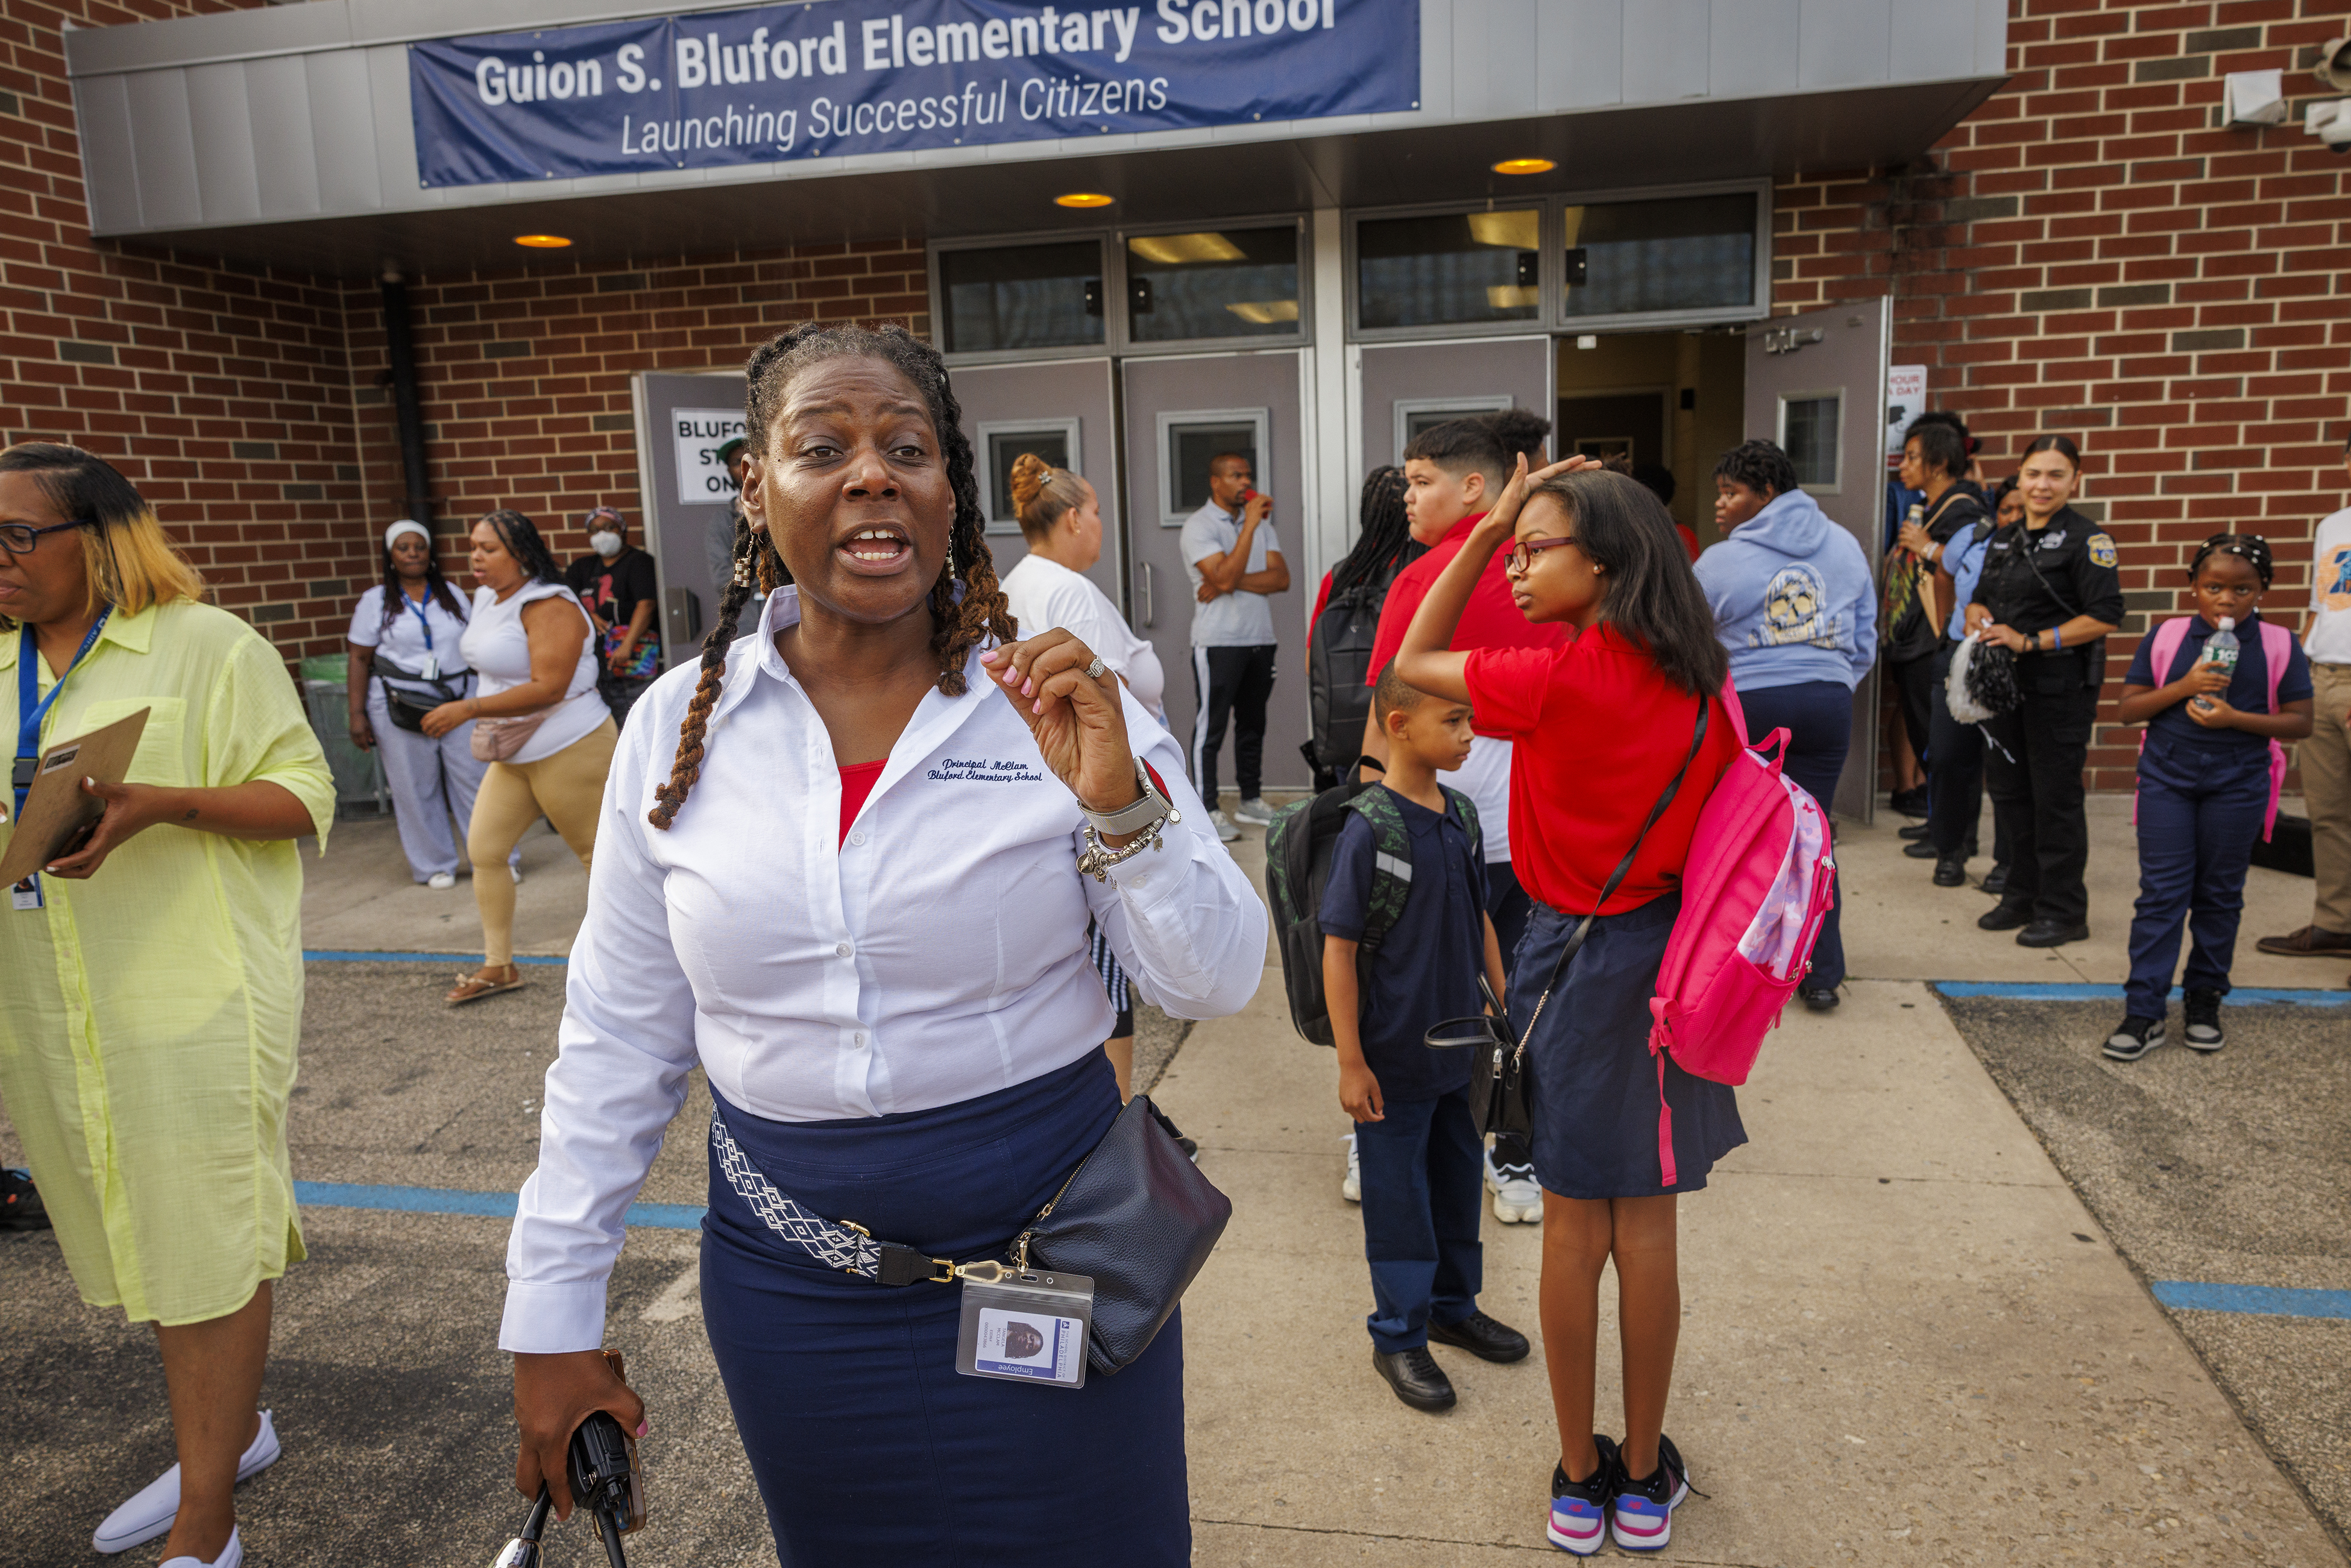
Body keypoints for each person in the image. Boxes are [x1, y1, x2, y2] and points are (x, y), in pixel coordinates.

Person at [499, 323, 1264, 1565]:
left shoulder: (1057, 699)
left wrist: (1124, 810)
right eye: (823, 447)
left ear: (946, 493)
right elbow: (617, 1039)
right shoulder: (675, 733)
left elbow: (1218, 977)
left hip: (1058, 1252)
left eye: (907, 446)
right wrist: (553, 1312)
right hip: (799, 1295)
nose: (872, 473)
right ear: (756, 487)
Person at [1394, 460, 1746, 1557]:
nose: (1516, 561)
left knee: (1573, 1227)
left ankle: (1579, 1474)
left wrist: (1480, 519)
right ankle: (1643, 1484)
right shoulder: (1704, 680)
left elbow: (1408, 661)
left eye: (1535, 544)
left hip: (1568, 956)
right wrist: (1507, 522)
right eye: (1514, 540)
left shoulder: (1555, 679)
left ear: (1604, 561)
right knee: (1648, 1230)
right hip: (1673, 968)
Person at [0, 442, 336, 1568]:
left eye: (15, 535)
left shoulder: (205, 646)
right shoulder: (0, 661)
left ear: (97, 539)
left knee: (203, 1239)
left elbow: (304, 792)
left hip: (187, 993)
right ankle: (228, 1436)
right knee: (142, 1232)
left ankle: (208, 1521)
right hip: (49, 1000)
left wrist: (162, 805)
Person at [1361, 410, 1559, 1226]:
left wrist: (1371, 817)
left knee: (1410, 988)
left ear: (1475, 485)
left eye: (1420, 481)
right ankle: (1516, 1154)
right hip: (1520, 829)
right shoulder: (1557, 569)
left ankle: (1375, 1128)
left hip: (1446, 821)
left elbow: (1383, 711)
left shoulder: (1424, 580)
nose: (1406, 498)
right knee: (1524, 990)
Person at [1322, 662, 1528, 1412]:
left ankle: (1452, 1305)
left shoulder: (1463, 816)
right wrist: (1352, 1061)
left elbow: (1479, 923)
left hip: (1462, 1051)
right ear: (1401, 726)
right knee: (1398, 1200)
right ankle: (1399, 1336)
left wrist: (1506, 1020)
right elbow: (1338, 949)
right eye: (1456, 722)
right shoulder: (1368, 829)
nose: (1471, 735)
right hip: (1393, 1057)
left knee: (1453, 1183)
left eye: (1471, 720)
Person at [999, 451, 1168, 1101]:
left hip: (1059, 788)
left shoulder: (1020, 581)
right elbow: (1110, 693)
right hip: (1095, 796)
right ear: (1072, 518)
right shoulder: (1068, 590)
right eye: (1095, 512)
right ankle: (1117, 1121)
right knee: (1109, 965)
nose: (1098, 524)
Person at [2107, 535, 2314, 1059]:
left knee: (2220, 893)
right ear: (2193, 586)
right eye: (2214, 587)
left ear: (2262, 590)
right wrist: (2185, 684)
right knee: (2161, 893)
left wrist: (2234, 719)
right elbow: (2129, 710)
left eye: (2242, 589)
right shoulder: (2169, 636)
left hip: (2239, 780)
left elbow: (2301, 721)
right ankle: (2144, 1010)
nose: (2227, 600)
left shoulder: (2278, 644)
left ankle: (2204, 999)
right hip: (2167, 777)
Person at [1695, 439, 1877, 1012]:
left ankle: (1739, 970)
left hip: (1753, 709)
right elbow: (1866, 634)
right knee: (1813, 837)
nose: (1720, 505)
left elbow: (1693, 644)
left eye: (1732, 493)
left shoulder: (1721, 562)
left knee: (1745, 837)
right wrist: (1833, 681)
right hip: (1828, 703)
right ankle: (1821, 974)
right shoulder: (1845, 546)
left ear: (1767, 493)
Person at [437, 509, 614, 1004]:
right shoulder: (486, 599)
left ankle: (633, 968)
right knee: (486, 851)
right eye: (473, 546)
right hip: (515, 750)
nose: (475, 556)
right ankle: (499, 965)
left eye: (488, 549)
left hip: (572, 744)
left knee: (600, 860)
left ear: (521, 554)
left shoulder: (549, 603)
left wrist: (466, 709)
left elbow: (549, 687)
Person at [1966, 436, 2124, 947]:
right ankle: (2020, 895)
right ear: (2020, 475)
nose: (2042, 484)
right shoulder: (2004, 537)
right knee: (2011, 795)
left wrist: (2031, 640)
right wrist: (1978, 616)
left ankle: (2063, 910)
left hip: (2059, 689)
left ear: (2074, 481)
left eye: (2056, 475)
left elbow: (2104, 616)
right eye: (2034, 473)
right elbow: (1981, 599)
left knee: (2054, 800)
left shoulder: (2088, 541)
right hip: (2004, 688)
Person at [346, 519, 509, 889]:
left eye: (419, 546)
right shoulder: (375, 601)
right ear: (390, 556)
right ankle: (435, 865)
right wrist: (356, 714)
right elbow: (358, 658)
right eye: (404, 547)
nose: (413, 553)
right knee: (414, 787)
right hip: (398, 703)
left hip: (457, 698)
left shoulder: (451, 593)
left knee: (476, 780)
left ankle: (495, 859)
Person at [2256, 430, 2351, 968]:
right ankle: (2337, 923)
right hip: (2324, 676)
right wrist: (2294, 674)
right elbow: (2324, 605)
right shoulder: (2332, 527)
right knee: (2330, 812)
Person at [1885, 418, 1991, 848]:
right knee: (1928, 738)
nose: (1903, 467)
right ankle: (1940, 822)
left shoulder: (1964, 507)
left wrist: (1927, 547)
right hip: (1916, 640)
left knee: (1944, 744)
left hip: (1936, 640)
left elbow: (1973, 566)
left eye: (1912, 458)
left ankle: (1956, 836)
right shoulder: (1935, 504)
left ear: (1940, 462)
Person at [1181, 450, 1289, 840]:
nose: (1246, 482)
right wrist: (1241, 545)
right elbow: (1222, 578)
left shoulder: (1260, 523)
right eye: (1236, 475)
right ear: (1216, 481)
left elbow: (1280, 579)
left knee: (1252, 725)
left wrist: (1228, 577)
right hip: (1219, 643)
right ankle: (1206, 807)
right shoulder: (1198, 526)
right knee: (1212, 728)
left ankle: (1250, 799)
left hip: (1260, 639)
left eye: (1247, 475)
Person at [1924, 478, 2022, 892]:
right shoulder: (1974, 538)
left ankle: (2008, 861)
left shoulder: (2041, 552)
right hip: (1961, 659)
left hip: (2011, 663)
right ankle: (1951, 848)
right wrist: (1946, 630)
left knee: (2004, 766)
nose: (2013, 518)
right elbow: (1943, 575)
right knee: (1947, 755)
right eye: (2006, 510)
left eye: (2021, 510)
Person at [564, 506, 661, 727]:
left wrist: (627, 646)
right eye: (595, 530)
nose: (602, 535)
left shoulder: (639, 562)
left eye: (609, 528)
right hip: (597, 664)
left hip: (632, 661)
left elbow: (646, 605)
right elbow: (563, 601)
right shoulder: (582, 568)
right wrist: (587, 614)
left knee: (638, 723)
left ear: (623, 530)